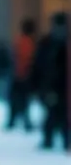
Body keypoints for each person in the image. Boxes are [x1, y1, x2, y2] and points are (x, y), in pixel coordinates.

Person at [33, 11, 69, 151]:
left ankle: (61, 139)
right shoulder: (47, 43)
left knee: (58, 114)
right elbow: (39, 65)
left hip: (59, 85)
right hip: (52, 85)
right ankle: (53, 139)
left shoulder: (51, 42)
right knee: (53, 113)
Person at [6, 19, 36, 129]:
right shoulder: (30, 42)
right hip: (24, 76)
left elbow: (14, 58)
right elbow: (28, 60)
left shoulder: (18, 40)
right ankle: (25, 121)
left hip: (16, 75)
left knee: (14, 99)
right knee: (24, 100)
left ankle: (12, 121)